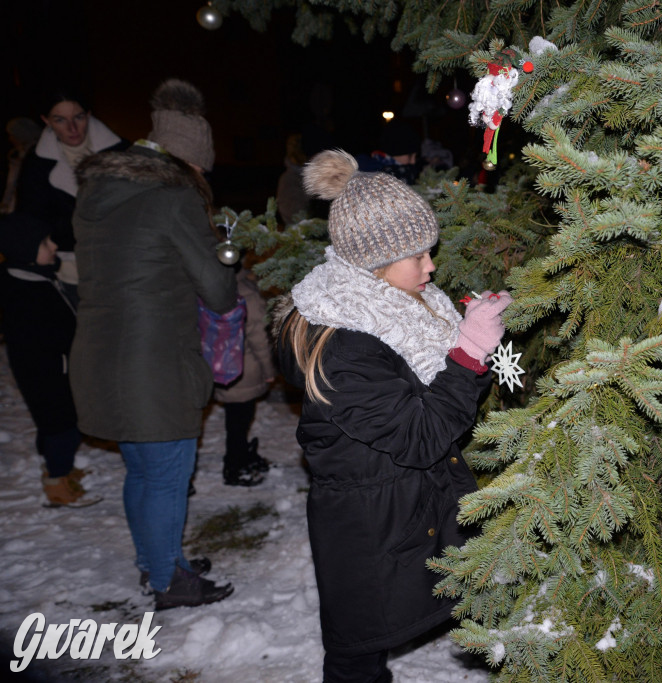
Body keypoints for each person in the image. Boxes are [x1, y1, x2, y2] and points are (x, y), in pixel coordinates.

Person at [275, 148, 512, 682]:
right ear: (374, 263)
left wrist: (469, 340)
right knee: (358, 650)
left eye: (430, 251)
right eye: (417, 256)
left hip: (405, 504)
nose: (431, 266)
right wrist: (469, 354)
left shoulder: (394, 307)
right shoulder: (343, 346)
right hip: (367, 525)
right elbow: (422, 433)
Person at [70, 79, 236, 610]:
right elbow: (215, 288)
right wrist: (226, 257)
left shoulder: (97, 191)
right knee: (166, 475)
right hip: (154, 362)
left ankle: (159, 562)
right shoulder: (174, 198)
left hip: (98, 352)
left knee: (142, 471)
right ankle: (168, 581)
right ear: (190, 160)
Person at [0, 213, 99, 507]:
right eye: (45, 243)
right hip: (48, 374)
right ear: (25, 249)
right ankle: (57, 483)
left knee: (53, 424)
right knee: (62, 427)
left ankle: (59, 468)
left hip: (53, 369)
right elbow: (46, 337)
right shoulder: (27, 292)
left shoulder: (32, 275)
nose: (53, 246)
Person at [16, 88, 126, 289]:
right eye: (60, 120)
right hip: (69, 269)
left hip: (123, 264)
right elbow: (31, 220)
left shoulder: (123, 154)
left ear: (89, 115)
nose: (72, 128)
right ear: (46, 121)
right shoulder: (36, 165)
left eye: (79, 117)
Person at [215, 261, 275, 487]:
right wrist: (269, 370)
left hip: (219, 364)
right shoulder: (247, 294)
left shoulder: (214, 287)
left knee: (236, 419)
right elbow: (260, 340)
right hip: (244, 369)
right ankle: (235, 465)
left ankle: (241, 455)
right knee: (238, 422)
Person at [1, 117, 43, 214]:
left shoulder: (38, 153)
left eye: (13, 135)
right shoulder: (16, 154)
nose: (11, 139)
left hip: (32, 207)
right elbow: (11, 183)